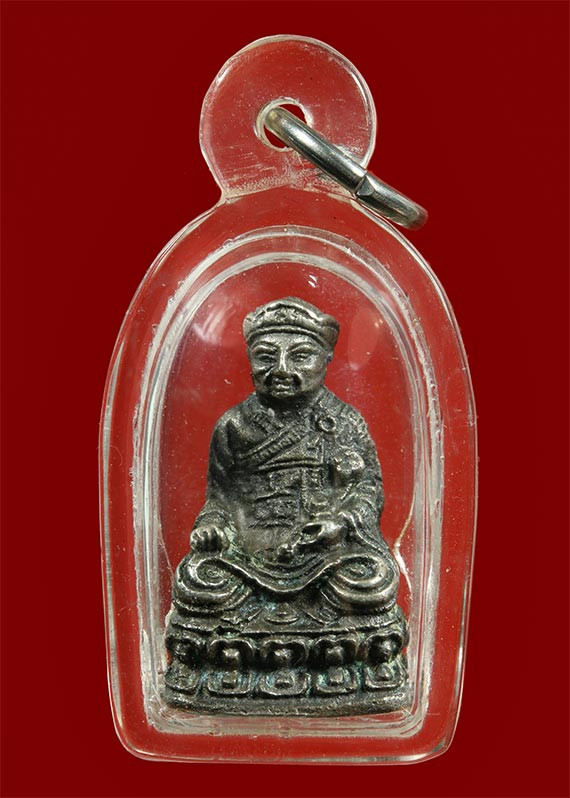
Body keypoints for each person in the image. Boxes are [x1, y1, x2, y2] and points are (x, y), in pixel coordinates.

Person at [165, 297, 408, 714]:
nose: (280, 369)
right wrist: (213, 527)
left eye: (299, 356)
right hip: (249, 559)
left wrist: (339, 525)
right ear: (250, 362)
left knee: (371, 584)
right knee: (196, 583)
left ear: (326, 360)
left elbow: (368, 491)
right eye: (265, 357)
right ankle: (305, 657)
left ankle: (323, 659)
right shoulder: (234, 426)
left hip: (323, 557)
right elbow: (219, 498)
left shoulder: (344, 422)